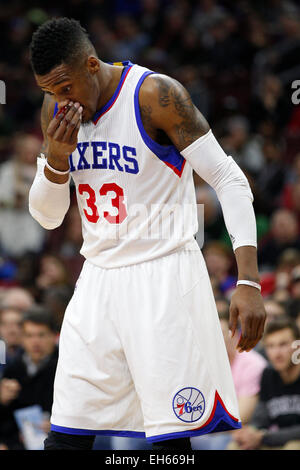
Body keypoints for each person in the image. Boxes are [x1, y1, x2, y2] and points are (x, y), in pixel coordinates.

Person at [28, 17, 266, 451]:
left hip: (164, 275)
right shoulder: (56, 109)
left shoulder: (156, 95)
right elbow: (46, 217)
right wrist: (57, 160)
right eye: (49, 92)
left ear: (92, 65)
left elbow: (229, 181)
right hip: (98, 276)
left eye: (65, 88)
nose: (60, 101)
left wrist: (248, 279)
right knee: (65, 435)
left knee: (168, 442)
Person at [228, 316, 300, 450]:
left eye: (283, 344)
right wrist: (250, 432)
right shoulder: (269, 375)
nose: (276, 353)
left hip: (290, 441)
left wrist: (263, 437)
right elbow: (261, 417)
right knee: (235, 446)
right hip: (275, 439)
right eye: (271, 346)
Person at [0, 306, 58, 449]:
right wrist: (2, 400)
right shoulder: (13, 368)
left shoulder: (65, 367)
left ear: (53, 336)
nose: (35, 342)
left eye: (41, 335)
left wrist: (59, 426)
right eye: (29, 335)